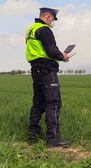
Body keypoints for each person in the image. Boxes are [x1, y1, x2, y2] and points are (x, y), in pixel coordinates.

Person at [25, 7, 70, 147]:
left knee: (38, 103)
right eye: (53, 19)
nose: (52, 22)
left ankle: (33, 137)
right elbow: (51, 50)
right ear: (49, 16)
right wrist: (62, 56)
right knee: (53, 103)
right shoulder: (44, 29)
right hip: (47, 71)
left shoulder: (31, 29)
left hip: (36, 70)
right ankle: (53, 139)